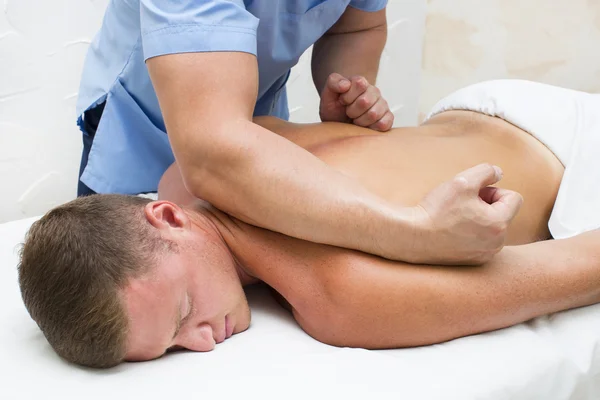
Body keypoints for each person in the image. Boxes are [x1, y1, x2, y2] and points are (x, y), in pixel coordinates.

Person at [21, 79, 600, 368]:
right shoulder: (190, 172)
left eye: (182, 312)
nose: (200, 341)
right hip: (487, 105)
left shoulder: (342, 296)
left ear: (167, 218)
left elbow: (579, 268)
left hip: (577, 164)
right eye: (172, 346)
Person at [76, 0, 522, 266]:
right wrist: (419, 233)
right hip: (138, 125)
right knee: (119, 278)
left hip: (252, 122)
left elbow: (358, 22)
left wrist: (349, 94)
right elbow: (214, 154)